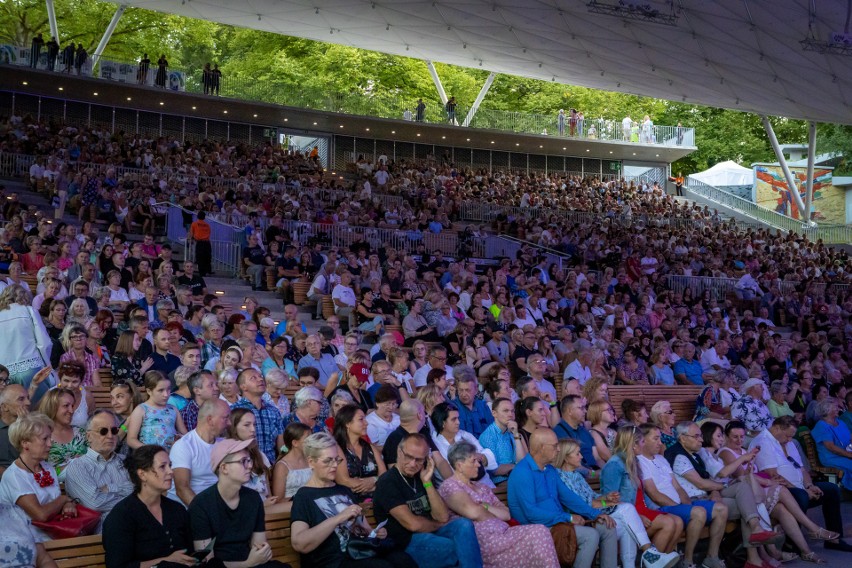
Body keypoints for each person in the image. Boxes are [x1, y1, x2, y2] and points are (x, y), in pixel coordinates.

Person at [290, 432, 416, 568]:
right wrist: (339, 518)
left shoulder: (343, 490)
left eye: (337, 460)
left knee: (403, 560)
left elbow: (365, 528)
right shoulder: (304, 496)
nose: (334, 465)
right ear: (311, 462)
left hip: (358, 552)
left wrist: (375, 533)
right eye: (327, 460)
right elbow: (299, 543)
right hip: (332, 561)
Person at [555, 438, 681, 568]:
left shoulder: (576, 475)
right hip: (583, 519)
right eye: (577, 453)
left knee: (627, 525)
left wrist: (606, 497)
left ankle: (634, 564)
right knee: (627, 509)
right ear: (565, 457)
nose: (581, 456)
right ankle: (649, 554)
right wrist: (605, 503)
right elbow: (581, 504)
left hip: (596, 515)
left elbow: (593, 496)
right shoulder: (561, 477)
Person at [440, 439, 560, 567]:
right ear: (459, 465)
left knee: (541, 531)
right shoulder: (450, 485)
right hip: (484, 541)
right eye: (473, 461)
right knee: (539, 533)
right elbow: (473, 512)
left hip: (503, 533)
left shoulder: (482, 487)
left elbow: (506, 514)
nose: (479, 465)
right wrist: (489, 511)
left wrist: (484, 506)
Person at [508, 428, 617, 568]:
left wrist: (596, 514)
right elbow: (531, 513)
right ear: (541, 448)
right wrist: (568, 518)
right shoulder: (523, 472)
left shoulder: (549, 469)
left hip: (558, 524)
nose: (559, 449)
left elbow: (569, 497)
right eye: (554, 446)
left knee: (608, 527)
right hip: (536, 529)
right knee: (590, 535)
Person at [373, 432, 483, 568]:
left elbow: (442, 516)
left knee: (464, 525)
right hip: (406, 542)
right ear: (399, 452)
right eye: (409, 457)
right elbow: (412, 524)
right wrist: (437, 525)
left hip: (430, 533)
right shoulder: (388, 482)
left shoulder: (421, 476)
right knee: (455, 547)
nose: (413, 464)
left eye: (419, 460)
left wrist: (427, 482)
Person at [751, 415, 852, 553]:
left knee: (831, 489)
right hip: (780, 490)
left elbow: (802, 469)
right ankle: (792, 545)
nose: (790, 439)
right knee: (801, 496)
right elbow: (773, 475)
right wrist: (803, 490)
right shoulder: (763, 442)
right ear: (777, 428)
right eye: (788, 436)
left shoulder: (788, 442)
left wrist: (810, 485)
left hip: (800, 486)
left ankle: (834, 540)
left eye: (791, 436)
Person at [637, 423, 728, 568]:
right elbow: (653, 494)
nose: (660, 443)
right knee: (698, 513)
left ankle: (712, 557)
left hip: (678, 505)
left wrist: (687, 505)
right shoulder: (640, 462)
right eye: (656, 439)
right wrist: (681, 507)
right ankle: (688, 561)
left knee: (720, 509)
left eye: (660, 439)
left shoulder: (661, 459)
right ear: (643, 440)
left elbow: (677, 486)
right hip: (662, 508)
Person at [188, 438, 289, 567]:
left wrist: (261, 553)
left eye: (249, 460)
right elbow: (206, 562)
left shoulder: (253, 498)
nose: (250, 466)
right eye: (243, 461)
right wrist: (247, 564)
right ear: (224, 468)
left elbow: (258, 546)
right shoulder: (201, 505)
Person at [102, 444, 199, 568]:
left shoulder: (177, 509)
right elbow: (117, 565)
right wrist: (166, 561)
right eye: (162, 467)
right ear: (142, 474)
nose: (170, 471)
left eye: (170, 465)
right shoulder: (122, 516)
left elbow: (189, 551)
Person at [0, 411, 81, 544]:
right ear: (25, 443)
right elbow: (40, 515)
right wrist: (64, 498)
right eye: (45, 439)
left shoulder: (47, 467)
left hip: (55, 535)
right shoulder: (14, 476)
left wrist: (67, 504)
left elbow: (54, 502)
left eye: (50, 438)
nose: (50, 444)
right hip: (26, 543)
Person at [601, 427, 684, 555]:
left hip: (641, 509)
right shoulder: (614, 464)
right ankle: (651, 561)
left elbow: (641, 495)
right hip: (628, 513)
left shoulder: (633, 461)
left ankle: (662, 562)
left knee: (678, 521)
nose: (644, 445)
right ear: (634, 444)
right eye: (642, 442)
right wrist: (637, 516)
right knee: (668, 523)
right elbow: (609, 499)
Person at [64, 409, 134, 533]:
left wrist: (111, 488)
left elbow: (143, 491)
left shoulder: (126, 462)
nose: (110, 436)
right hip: (106, 535)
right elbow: (95, 503)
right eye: (103, 431)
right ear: (89, 436)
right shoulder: (79, 467)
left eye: (114, 430)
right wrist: (134, 498)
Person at [169, 400, 230, 507]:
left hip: (219, 505)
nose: (229, 423)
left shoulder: (224, 444)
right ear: (210, 420)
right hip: (190, 509)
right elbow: (182, 489)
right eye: (225, 418)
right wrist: (204, 513)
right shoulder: (184, 446)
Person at [0, 285, 54, 401]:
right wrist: (46, 363)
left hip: (4, 374)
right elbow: (44, 343)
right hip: (30, 369)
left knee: (12, 414)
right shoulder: (29, 311)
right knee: (39, 412)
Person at [431, 402, 498, 487]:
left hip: (484, 484)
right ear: (442, 422)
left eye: (458, 418)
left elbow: (485, 455)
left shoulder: (465, 435)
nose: (458, 422)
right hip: (455, 491)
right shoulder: (434, 444)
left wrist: (482, 457)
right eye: (453, 419)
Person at [332, 405, 386, 502]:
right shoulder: (336, 448)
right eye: (361, 419)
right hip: (349, 501)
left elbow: (384, 474)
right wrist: (374, 484)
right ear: (347, 423)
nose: (366, 423)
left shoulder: (370, 447)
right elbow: (343, 480)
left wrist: (373, 480)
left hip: (377, 499)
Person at [232, 368, 284, 464]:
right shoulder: (233, 410)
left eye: (260, 376)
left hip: (271, 467)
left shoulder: (274, 411)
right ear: (243, 386)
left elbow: (281, 444)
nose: (260, 379)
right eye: (253, 378)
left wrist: (281, 462)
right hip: (244, 467)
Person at [125, 371, 187, 451]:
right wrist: (150, 450)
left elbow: (185, 434)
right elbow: (131, 440)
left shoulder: (173, 409)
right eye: (161, 390)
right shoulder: (141, 410)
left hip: (171, 456)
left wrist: (181, 439)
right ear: (149, 391)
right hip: (149, 457)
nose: (166, 394)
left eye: (168, 389)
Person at [37, 387, 87, 475]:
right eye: (66, 406)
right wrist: (68, 467)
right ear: (52, 407)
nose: (71, 411)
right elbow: (40, 472)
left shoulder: (81, 433)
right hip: (54, 486)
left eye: (72, 406)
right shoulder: (41, 436)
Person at [477, 397, 527, 484]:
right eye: (506, 411)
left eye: (512, 411)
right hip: (500, 483)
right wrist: (518, 467)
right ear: (494, 413)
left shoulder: (513, 432)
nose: (510, 414)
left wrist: (515, 434)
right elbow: (494, 469)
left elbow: (523, 460)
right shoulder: (488, 436)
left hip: (518, 478)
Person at [809, 397, 852, 492]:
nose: (839, 408)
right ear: (827, 409)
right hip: (831, 457)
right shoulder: (821, 426)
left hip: (846, 453)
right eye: (836, 407)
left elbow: (850, 437)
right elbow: (831, 447)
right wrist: (848, 455)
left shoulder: (840, 422)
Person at [271, 423, 312, 507]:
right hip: (291, 508)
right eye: (308, 439)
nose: (312, 442)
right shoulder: (282, 466)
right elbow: (278, 500)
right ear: (295, 443)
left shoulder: (311, 460)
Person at [0, 384, 30, 478]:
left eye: (28, 398)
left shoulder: (32, 426)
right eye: (21, 399)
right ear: (5, 407)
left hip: (29, 477)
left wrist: (24, 426)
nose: (28, 403)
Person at [453, 371, 493, 438]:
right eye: (461, 390)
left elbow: (492, 431)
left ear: (476, 390)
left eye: (467, 390)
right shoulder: (452, 408)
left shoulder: (483, 406)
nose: (464, 394)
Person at [188, 212, 212, 277]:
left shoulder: (194, 224)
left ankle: (202, 273)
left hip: (200, 242)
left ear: (197, 216)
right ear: (204, 217)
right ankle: (208, 271)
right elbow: (209, 233)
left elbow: (191, 233)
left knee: (200, 258)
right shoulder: (207, 225)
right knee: (207, 258)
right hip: (207, 243)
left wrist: (190, 239)